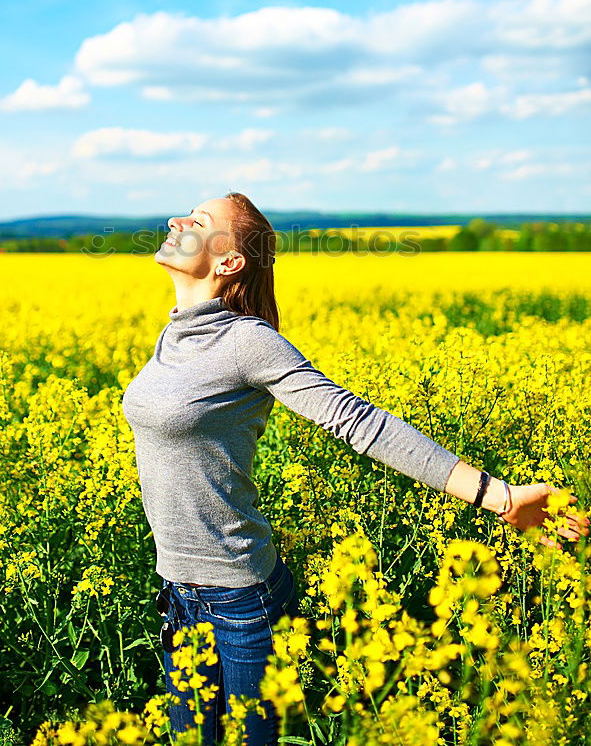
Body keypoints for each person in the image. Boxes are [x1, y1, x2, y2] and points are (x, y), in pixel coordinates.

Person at [121, 191, 589, 746]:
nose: (177, 219)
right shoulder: (173, 335)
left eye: (198, 220)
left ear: (228, 261)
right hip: (177, 592)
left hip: (239, 600)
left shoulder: (249, 343)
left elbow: (358, 421)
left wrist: (500, 497)